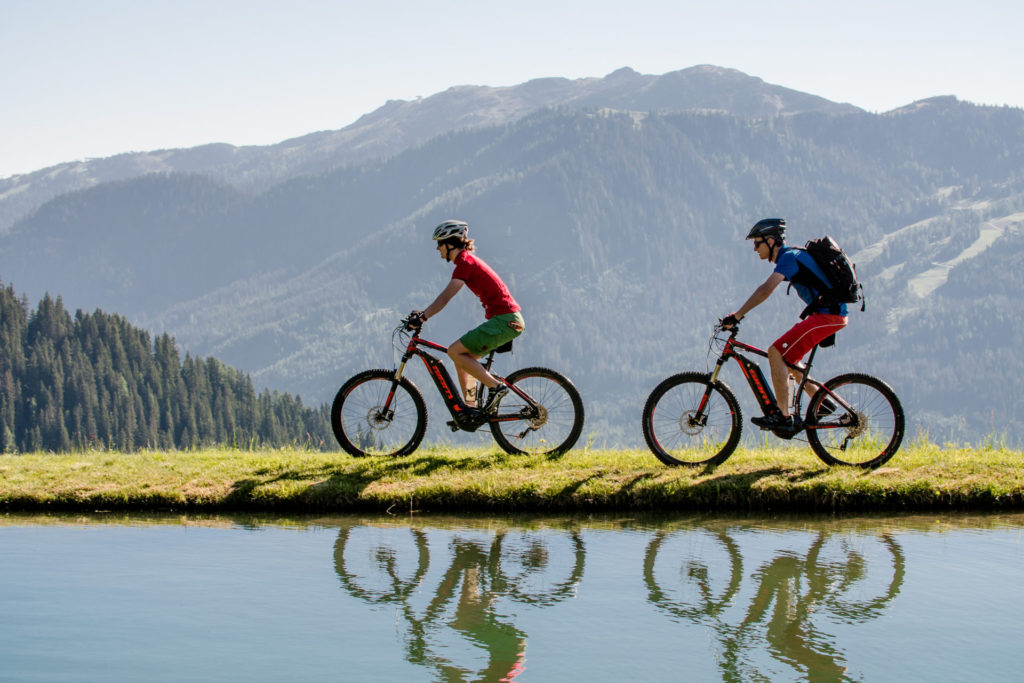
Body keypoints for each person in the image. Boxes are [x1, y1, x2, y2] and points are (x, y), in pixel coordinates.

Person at [721, 218, 847, 433]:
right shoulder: (791, 257)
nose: (754, 249)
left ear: (771, 241)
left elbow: (765, 290)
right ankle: (822, 402)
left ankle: (783, 417)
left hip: (827, 316)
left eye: (757, 243)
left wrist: (738, 315)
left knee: (776, 352)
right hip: (827, 315)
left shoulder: (788, 257)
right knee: (789, 360)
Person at [411, 220, 525, 413]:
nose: (438, 248)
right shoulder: (466, 261)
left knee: (454, 351)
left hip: (506, 320)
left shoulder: (465, 263)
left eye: (440, 243)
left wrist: (423, 317)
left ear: (450, 243)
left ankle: (496, 387)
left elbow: (445, 298)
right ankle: (471, 408)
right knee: (462, 359)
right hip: (506, 320)